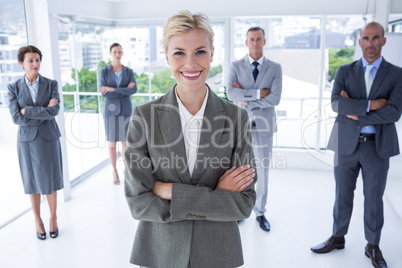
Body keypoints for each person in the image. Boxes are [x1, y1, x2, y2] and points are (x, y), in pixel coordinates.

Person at [124, 10, 257, 268]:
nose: (190, 64)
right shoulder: (144, 116)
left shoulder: (236, 118)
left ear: (212, 53)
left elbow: (243, 203)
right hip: (159, 253)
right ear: (167, 58)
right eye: (179, 53)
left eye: (199, 51)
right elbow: (138, 203)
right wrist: (216, 195)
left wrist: (168, 191)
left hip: (217, 253)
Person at [311, 22, 402, 268]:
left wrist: (356, 112)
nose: (370, 43)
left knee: (374, 199)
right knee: (342, 195)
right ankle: (337, 237)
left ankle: (373, 245)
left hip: (377, 147)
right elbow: (337, 105)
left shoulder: (396, 74)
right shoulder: (344, 71)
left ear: (383, 41)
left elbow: (394, 113)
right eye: (365, 38)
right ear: (359, 41)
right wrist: (373, 105)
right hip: (345, 145)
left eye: (375, 38)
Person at [227, 26, 282, 232]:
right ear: (246, 42)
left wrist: (248, 97)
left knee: (262, 172)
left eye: (259, 39)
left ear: (264, 42)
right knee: (240, 170)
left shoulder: (275, 68)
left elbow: (275, 97)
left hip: (264, 127)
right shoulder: (235, 66)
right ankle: (241, 210)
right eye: (252, 39)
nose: (255, 43)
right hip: (241, 126)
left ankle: (260, 212)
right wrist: (260, 94)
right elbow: (232, 94)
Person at [8, 45, 63, 240]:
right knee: (31, 182)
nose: (35, 64)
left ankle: (53, 218)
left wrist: (27, 110)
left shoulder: (51, 84)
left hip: (48, 138)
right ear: (21, 63)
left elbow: (54, 111)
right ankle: (38, 220)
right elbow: (16, 117)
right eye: (31, 60)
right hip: (26, 141)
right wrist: (42, 109)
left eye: (38, 60)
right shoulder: (13, 87)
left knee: (50, 181)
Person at [100, 43, 137, 185]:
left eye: (120, 52)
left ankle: (126, 169)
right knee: (112, 143)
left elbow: (133, 90)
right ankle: (114, 171)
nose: (117, 54)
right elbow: (103, 92)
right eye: (115, 51)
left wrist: (113, 90)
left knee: (125, 142)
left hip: (125, 109)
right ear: (110, 53)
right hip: (109, 111)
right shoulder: (104, 71)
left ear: (122, 53)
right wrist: (123, 90)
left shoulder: (129, 71)